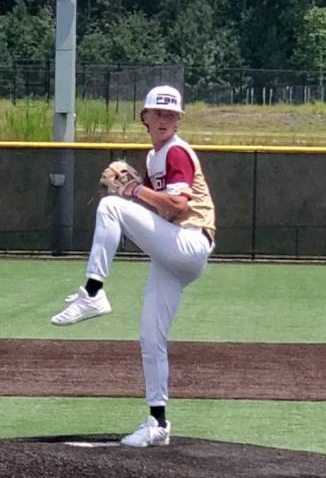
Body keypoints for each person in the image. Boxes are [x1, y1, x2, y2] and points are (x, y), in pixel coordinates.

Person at [51, 85, 215, 448]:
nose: (164, 119)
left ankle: (93, 292)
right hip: (174, 254)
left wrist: (132, 191)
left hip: (189, 242)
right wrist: (138, 190)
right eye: (158, 113)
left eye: (171, 114)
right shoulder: (154, 156)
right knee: (150, 337)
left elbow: (177, 207)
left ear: (179, 120)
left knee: (111, 205)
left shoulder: (176, 152)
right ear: (144, 117)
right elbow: (162, 209)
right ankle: (158, 422)